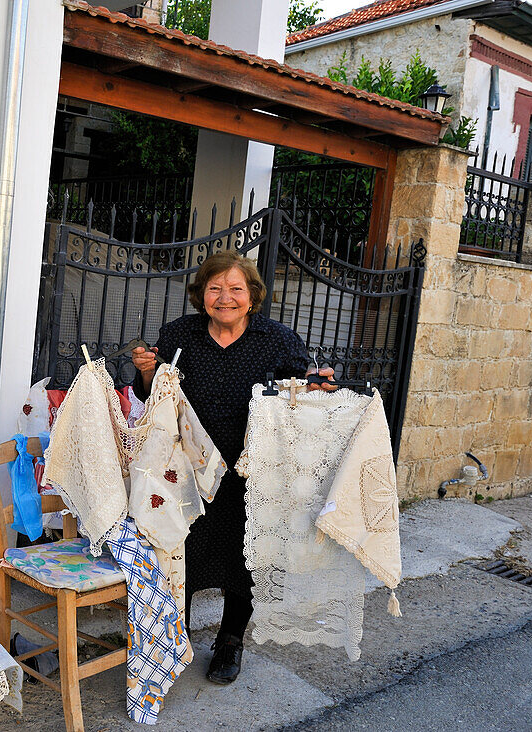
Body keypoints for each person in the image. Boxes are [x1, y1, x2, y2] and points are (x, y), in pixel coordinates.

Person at [131, 250, 335, 685]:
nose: (225, 298)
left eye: (235, 289)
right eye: (215, 288)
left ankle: (230, 641)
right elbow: (155, 399)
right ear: (201, 294)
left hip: (253, 470)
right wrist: (147, 373)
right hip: (188, 471)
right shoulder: (178, 334)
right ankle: (174, 635)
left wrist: (318, 385)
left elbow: (303, 394)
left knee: (244, 558)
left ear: (252, 294)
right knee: (181, 549)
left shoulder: (276, 340)